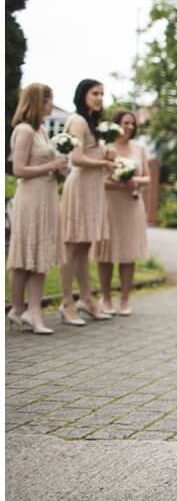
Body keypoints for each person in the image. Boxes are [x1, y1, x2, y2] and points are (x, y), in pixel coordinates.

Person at [6, 83, 68, 334]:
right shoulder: (23, 131)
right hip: (30, 198)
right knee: (24, 256)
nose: (51, 105)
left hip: (48, 195)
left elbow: (46, 164)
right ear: (38, 101)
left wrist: (59, 170)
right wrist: (51, 165)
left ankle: (33, 310)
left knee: (41, 254)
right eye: (49, 100)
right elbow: (18, 169)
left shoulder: (41, 130)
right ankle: (19, 308)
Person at [59, 79, 116, 325]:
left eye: (102, 94)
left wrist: (107, 156)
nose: (100, 97)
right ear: (83, 94)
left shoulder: (94, 124)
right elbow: (77, 158)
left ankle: (86, 298)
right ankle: (65, 302)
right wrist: (103, 163)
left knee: (84, 248)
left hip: (94, 189)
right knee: (72, 247)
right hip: (80, 186)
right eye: (95, 93)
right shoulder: (77, 121)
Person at [95, 109, 150, 316]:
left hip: (132, 205)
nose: (129, 127)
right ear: (116, 124)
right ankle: (106, 298)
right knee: (106, 253)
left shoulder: (139, 148)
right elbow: (100, 179)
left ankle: (125, 299)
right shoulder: (105, 147)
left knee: (128, 253)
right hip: (110, 204)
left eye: (132, 124)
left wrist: (134, 181)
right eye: (126, 123)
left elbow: (147, 177)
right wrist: (119, 183)